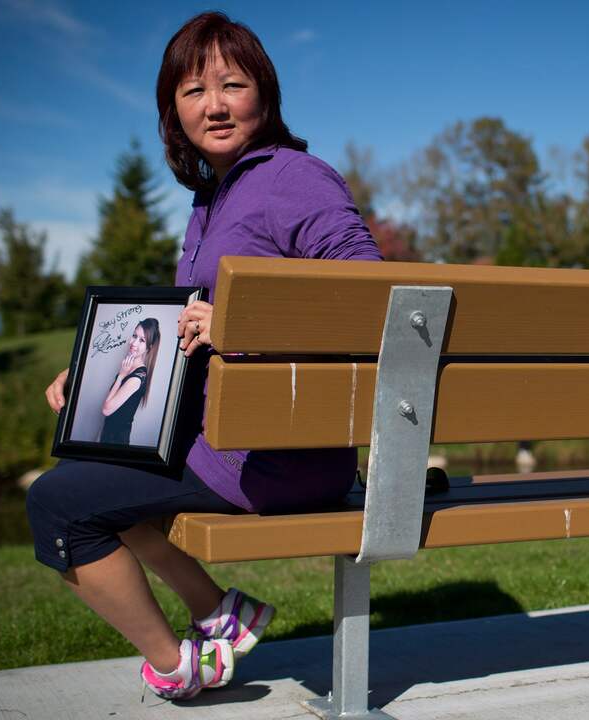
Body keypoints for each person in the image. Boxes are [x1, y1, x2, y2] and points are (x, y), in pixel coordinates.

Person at [27, 11, 382, 701]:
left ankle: (180, 664)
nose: (214, 104)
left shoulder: (292, 178)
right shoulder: (213, 197)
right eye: (193, 91)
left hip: (277, 453)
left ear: (264, 96)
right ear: (174, 111)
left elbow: (368, 298)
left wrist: (241, 323)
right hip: (234, 437)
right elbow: (185, 328)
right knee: (92, 465)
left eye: (232, 84)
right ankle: (223, 613)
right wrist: (98, 370)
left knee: (59, 505)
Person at [99, 318, 159, 445]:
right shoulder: (128, 367)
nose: (134, 343)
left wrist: (121, 376)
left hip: (116, 444)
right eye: (134, 336)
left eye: (142, 340)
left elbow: (106, 410)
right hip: (107, 438)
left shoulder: (137, 378)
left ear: (149, 347)